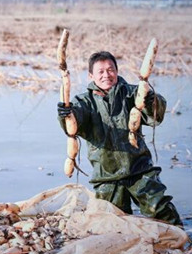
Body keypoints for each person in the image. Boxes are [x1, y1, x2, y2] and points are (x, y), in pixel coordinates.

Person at [57, 51, 183, 226]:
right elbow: (74, 125)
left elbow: (155, 117)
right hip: (106, 176)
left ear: (117, 71)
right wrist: (66, 114)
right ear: (91, 75)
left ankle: (183, 243)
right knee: (113, 224)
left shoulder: (133, 93)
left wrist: (152, 101)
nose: (106, 75)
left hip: (140, 169)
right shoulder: (84, 101)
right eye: (100, 71)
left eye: (110, 70)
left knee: (161, 210)